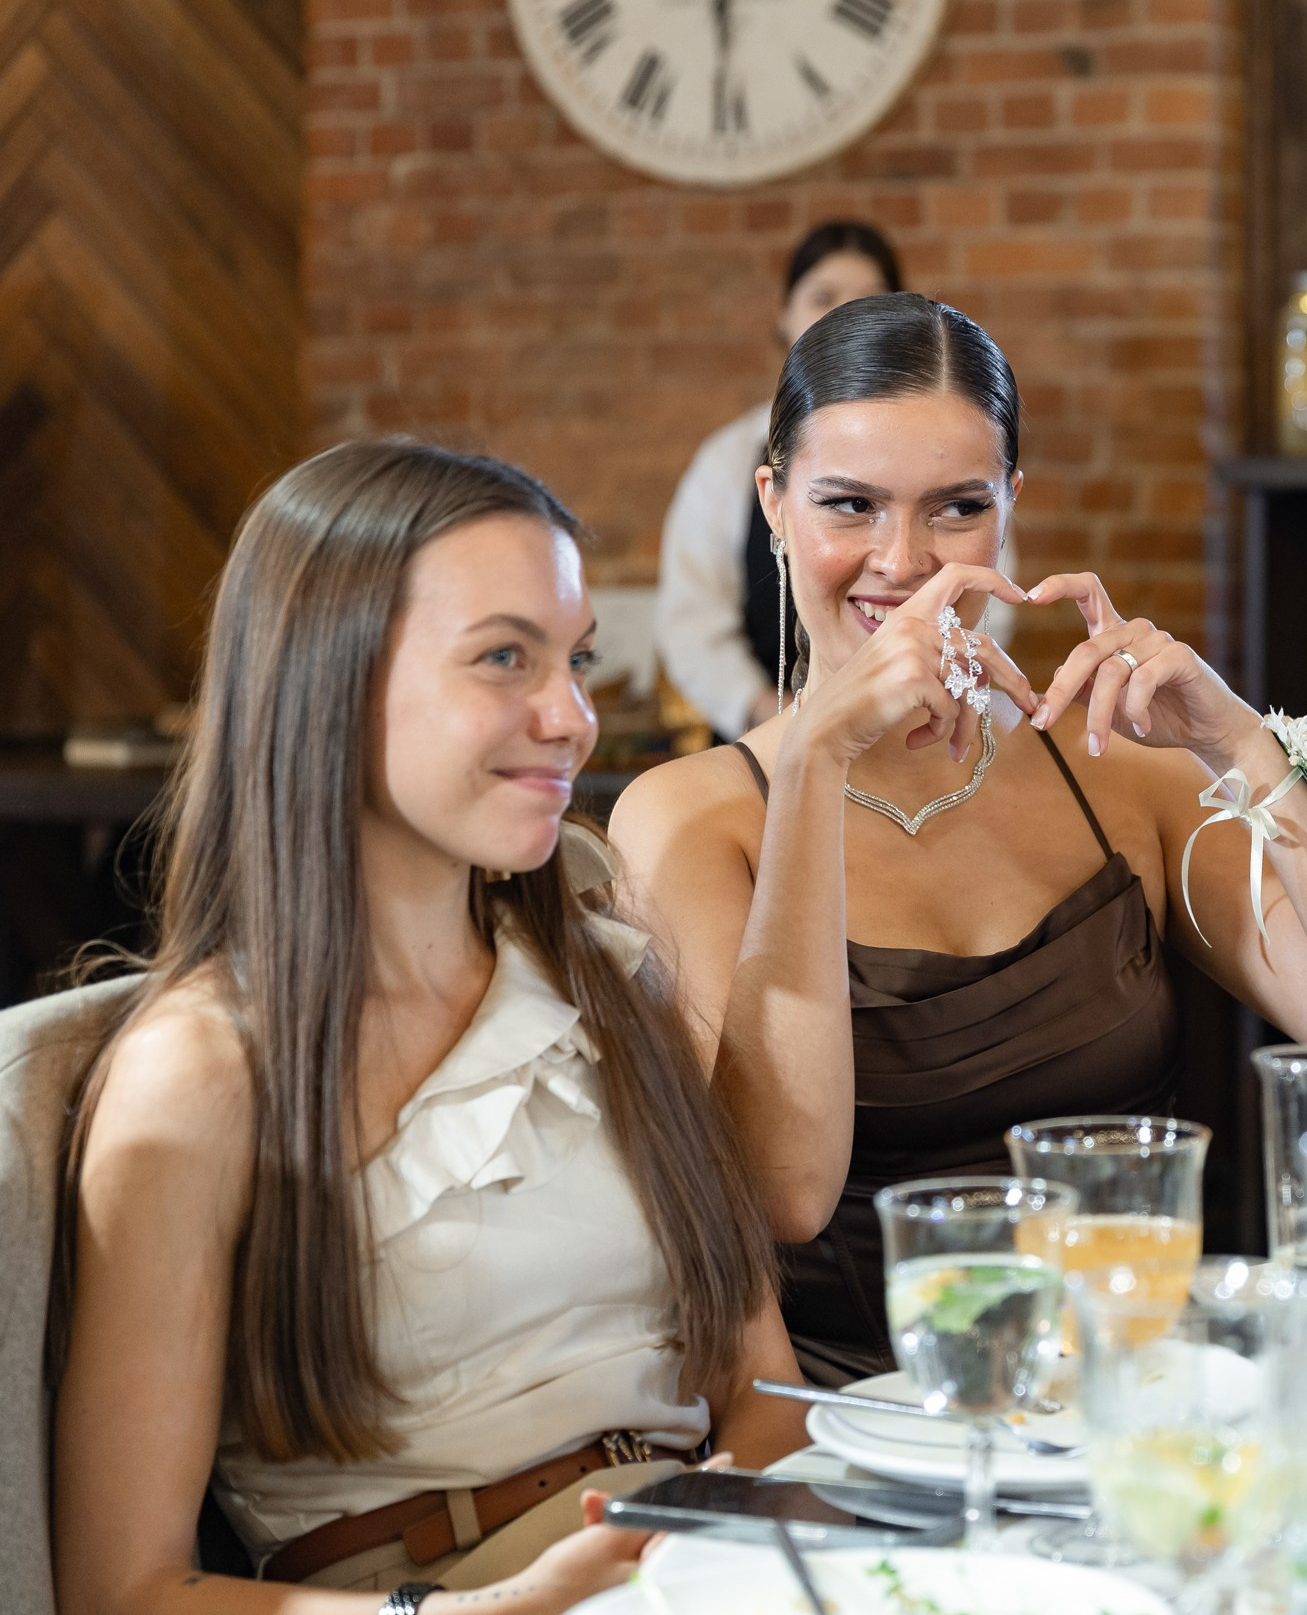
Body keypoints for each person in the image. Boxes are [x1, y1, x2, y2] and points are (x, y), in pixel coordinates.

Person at [609, 293, 1307, 1383]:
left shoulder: (1120, 777)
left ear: (1009, 505)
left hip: (1128, 1406)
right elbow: (779, 1190)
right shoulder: (690, 816)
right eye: (850, 504)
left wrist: (1244, 747)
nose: (902, 560)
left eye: (955, 508)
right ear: (773, 503)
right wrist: (816, 759)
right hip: (855, 1429)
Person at [50, 441, 811, 1612]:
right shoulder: (201, 1075)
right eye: (505, 657)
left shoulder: (604, 976)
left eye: (579, 661)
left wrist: (709, 1554)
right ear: (330, 680)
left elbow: (765, 1388)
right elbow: (125, 1587)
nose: (571, 718)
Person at [657, 221, 903, 740]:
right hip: (770, 739)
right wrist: (779, 716)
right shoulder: (728, 460)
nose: (844, 317)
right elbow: (692, 620)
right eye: (822, 297)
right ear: (785, 317)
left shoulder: (942, 455)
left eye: (868, 300)